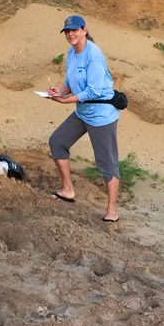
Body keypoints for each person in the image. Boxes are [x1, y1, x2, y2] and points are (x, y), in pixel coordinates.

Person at [47, 15, 121, 222]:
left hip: (101, 116)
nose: (71, 34)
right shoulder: (72, 53)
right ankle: (68, 189)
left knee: (107, 162)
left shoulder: (94, 55)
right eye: (67, 31)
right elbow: (70, 81)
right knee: (58, 142)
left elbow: (95, 91)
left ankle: (112, 211)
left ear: (84, 30)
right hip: (82, 112)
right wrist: (59, 92)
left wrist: (66, 100)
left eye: (74, 30)